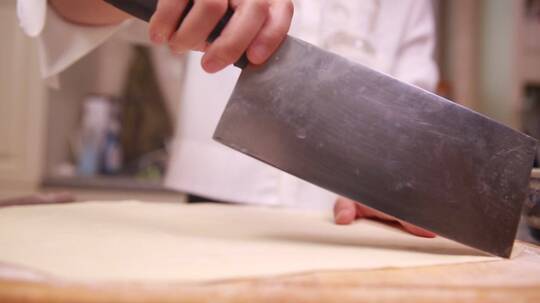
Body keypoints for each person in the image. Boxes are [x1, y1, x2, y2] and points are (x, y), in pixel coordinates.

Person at [17, 0, 437, 237]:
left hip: (354, 225)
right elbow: (58, 9)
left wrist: (407, 181)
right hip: (210, 220)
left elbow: (416, 116)